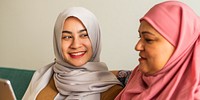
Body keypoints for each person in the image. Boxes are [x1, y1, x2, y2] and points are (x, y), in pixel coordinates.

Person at [23, 7, 123, 100]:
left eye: (84, 35)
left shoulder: (112, 91)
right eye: (67, 37)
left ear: (95, 38)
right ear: (57, 41)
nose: (75, 45)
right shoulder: (42, 75)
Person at [115, 1, 200, 99]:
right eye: (140, 37)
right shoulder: (137, 77)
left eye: (148, 39)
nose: (137, 47)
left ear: (180, 47)